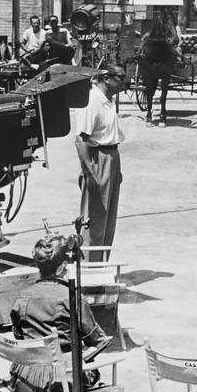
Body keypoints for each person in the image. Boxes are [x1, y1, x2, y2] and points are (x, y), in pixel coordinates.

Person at [8, 234, 112, 392]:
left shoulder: (22, 298)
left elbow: (19, 338)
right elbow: (97, 340)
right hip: (62, 385)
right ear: (63, 266)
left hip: (23, 382)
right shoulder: (71, 298)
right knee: (85, 368)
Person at [75, 65, 128, 260]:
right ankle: (89, 268)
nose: (125, 81)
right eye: (121, 77)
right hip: (98, 158)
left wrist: (116, 169)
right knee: (95, 218)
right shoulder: (92, 101)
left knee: (108, 219)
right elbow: (80, 139)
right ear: (106, 78)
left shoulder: (109, 100)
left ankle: (101, 266)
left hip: (112, 157)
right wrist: (89, 172)